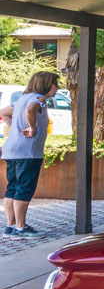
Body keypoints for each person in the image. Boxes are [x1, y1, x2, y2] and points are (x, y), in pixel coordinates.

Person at [0, 71, 59, 239]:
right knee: (24, 189)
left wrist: (14, 129)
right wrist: (32, 128)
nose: (57, 88)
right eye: (56, 84)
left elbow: (4, 112)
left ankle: (10, 227)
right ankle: (20, 228)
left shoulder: (20, 99)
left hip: (12, 150)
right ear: (46, 84)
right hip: (28, 152)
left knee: (12, 187)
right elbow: (30, 110)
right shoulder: (39, 99)